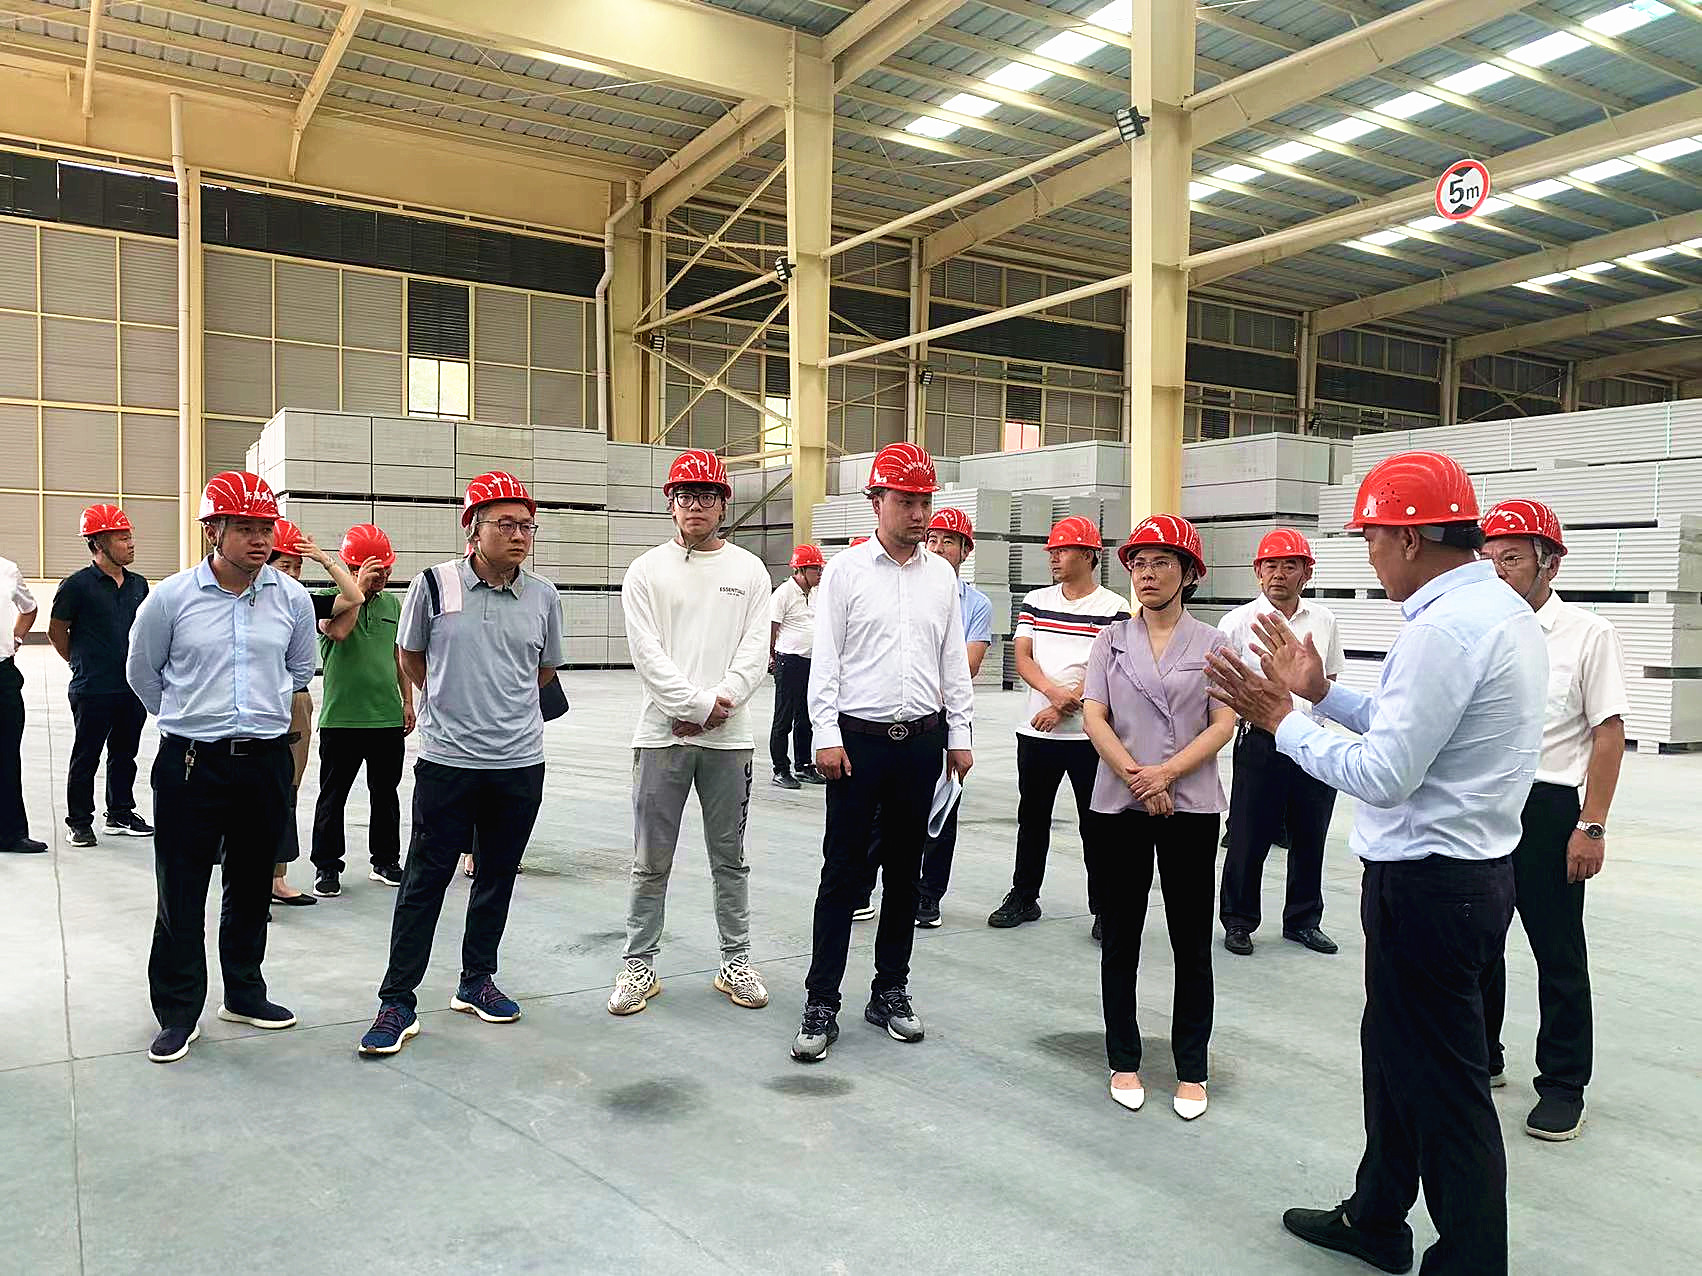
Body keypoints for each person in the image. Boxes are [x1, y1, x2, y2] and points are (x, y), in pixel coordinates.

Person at [1205, 451, 1545, 1276]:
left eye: (1374, 539)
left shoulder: (1442, 629)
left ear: (1414, 537)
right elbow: (1411, 723)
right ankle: (1378, 1215)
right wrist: (1323, 695)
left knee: (1447, 1089)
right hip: (1464, 880)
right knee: (1394, 1057)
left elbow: (1384, 773)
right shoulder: (1495, 610)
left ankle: (1471, 1261)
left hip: (1428, 889)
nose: (1371, 555)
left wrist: (1282, 720)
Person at [358, 471, 562, 1056]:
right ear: (472, 528)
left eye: (527, 526)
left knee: (496, 874)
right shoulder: (434, 584)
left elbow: (544, 671)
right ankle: (398, 1000)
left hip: (518, 763)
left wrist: (499, 711)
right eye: (506, 524)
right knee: (425, 880)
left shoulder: (544, 595)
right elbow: (411, 657)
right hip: (448, 762)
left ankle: (476, 981)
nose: (519, 535)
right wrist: (453, 704)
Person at [126, 471, 318, 1063]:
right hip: (191, 763)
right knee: (181, 889)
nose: (260, 540)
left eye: (266, 528)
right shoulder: (171, 598)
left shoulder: (291, 599)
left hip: (263, 761)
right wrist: (191, 717)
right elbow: (142, 673)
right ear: (213, 531)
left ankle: (244, 993)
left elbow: (300, 670)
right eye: (244, 528)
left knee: (251, 883)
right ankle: (179, 1011)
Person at [791, 443, 973, 1063]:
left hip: (920, 744)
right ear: (876, 502)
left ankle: (889, 989)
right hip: (857, 745)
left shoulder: (942, 576)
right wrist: (824, 734)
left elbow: (952, 660)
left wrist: (959, 734)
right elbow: (827, 661)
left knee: (904, 871)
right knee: (842, 874)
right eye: (906, 501)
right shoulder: (845, 573)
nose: (919, 514)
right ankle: (821, 999)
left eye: (925, 502)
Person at [1479, 499, 1626, 1143]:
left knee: (1557, 952)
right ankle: (1482, 1054)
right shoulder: (1481, 630)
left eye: (1511, 557)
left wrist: (1591, 824)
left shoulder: (1587, 634)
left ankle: (1564, 1085)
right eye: (1489, 557)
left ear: (1550, 563)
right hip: (1484, 803)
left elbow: (1608, 733)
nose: (1498, 569)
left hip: (1549, 808)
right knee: (1479, 940)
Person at [608, 449, 773, 1017]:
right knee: (650, 860)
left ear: (724, 504)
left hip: (729, 741)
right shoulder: (645, 571)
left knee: (730, 858)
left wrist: (714, 708)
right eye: (685, 495)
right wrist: (700, 706)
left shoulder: (749, 571)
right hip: (662, 738)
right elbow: (646, 654)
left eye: (706, 495)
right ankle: (639, 964)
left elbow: (755, 650)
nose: (695, 505)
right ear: (670, 504)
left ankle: (736, 960)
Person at [1080, 515, 1235, 1121]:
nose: (1147, 574)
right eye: (1139, 563)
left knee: (1191, 940)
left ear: (1189, 573)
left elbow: (1223, 724)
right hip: (1120, 802)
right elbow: (1094, 717)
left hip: (1189, 803)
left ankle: (1192, 1067)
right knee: (1120, 935)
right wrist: (1137, 778)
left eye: (1162, 562)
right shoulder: (1110, 641)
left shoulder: (1215, 643)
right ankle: (1123, 1058)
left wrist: (1165, 775)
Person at [987, 516, 1129, 938]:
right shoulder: (1035, 601)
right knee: (1032, 819)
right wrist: (1054, 696)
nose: (1053, 557)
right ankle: (1023, 896)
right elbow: (1023, 657)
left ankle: (1104, 907)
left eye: (1062, 550)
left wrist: (1069, 705)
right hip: (1037, 733)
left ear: (1088, 555)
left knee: (1096, 824)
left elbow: (1110, 667)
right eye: (1052, 551)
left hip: (1090, 737)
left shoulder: (1113, 607)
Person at [1217, 528, 1345, 958]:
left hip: (1313, 741)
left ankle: (1303, 921)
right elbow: (1222, 682)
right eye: (1270, 565)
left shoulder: (1324, 620)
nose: (1279, 573)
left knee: (1311, 836)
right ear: (1257, 572)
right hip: (1261, 742)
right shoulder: (1237, 623)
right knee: (1248, 835)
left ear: (1306, 573)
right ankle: (1239, 920)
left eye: (1290, 565)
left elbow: (1329, 677)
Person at [311, 523, 414, 899]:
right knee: (333, 795)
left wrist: (407, 702)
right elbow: (338, 633)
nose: (383, 577)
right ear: (352, 567)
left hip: (385, 717)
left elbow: (398, 657)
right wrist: (357, 591)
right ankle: (327, 865)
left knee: (385, 794)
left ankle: (385, 860)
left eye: (386, 569)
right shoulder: (328, 599)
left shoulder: (393, 605)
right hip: (342, 718)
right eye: (375, 570)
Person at [265, 518, 363, 910]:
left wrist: (325, 560)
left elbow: (353, 595)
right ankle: (250, 882)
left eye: (297, 566)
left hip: (294, 702)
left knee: (287, 790)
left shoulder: (300, 601)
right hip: (254, 705)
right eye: (284, 564)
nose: (292, 572)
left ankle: (277, 877)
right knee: (252, 793)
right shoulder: (246, 600)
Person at [47, 505, 152, 848]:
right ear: (97, 544)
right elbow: (56, 631)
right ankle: (79, 822)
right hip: (92, 687)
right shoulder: (76, 586)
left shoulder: (138, 585)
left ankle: (119, 814)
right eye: (122, 538)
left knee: (125, 754)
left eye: (130, 536)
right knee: (86, 756)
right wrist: (78, 663)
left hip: (131, 687)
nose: (131, 543)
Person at [770, 544, 825, 789]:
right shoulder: (783, 593)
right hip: (788, 662)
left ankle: (803, 765)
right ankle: (780, 769)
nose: (820, 573)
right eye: (815, 569)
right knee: (783, 719)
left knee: (805, 717)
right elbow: (771, 628)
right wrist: (770, 657)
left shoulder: (816, 592)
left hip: (810, 662)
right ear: (801, 570)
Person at [0, 550, 42, 854]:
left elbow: (29, 608)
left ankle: (11, 833)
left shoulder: (7, 570)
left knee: (7, 755)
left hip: (2, 674)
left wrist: (16, 638)